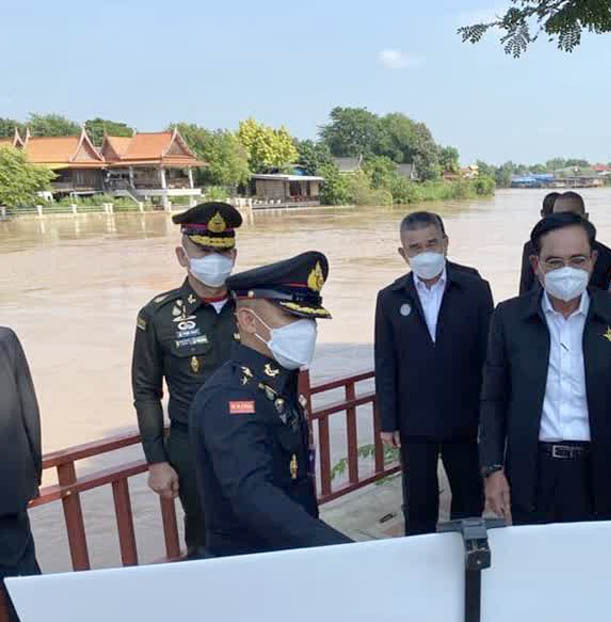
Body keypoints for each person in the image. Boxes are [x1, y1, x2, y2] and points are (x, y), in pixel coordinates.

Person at [481, 212, 611, 524]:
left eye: (577, 260)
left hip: (600, 468)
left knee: (595, 551)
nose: (567, 271)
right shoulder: (508, 318)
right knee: (534, 551)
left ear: (593, 261)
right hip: (531, 469)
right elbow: (493, 398)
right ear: (536, 265)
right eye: (555, 262)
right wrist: (493, 469)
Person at [190, 252, 350, 556]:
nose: (307, 329)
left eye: (310, 318)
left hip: (289, 550)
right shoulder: (231, 398)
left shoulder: (276, 381)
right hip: (252, 559)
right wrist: (339, 550)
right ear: (248, 321)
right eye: (292, 317)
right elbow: (254, 496)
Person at [132, 202, 242, 557]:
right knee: (204, 540)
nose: (215, 259)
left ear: (234, 256)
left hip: (252, 437)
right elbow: (146, 391)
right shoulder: (159, 316)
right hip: (194, 446)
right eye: (204, 251)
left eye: (222, 251)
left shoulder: (254, 306)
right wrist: (156, 461)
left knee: (264, 528)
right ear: (183, 256)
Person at [375, 212, 493, 535]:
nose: (424, 253)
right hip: (414, 421)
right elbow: (385, 361)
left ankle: (466, 556)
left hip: (465, 417)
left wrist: (490, 414)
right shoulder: (390, 298)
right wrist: (388, 421)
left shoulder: (474, 289)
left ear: (445, 243)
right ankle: (420, 556)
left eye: (431, 243)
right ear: (403, 253)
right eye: (415, 247)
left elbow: (489, 356)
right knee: (419, 503)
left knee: (469, 497)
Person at [0, 328, 51, 622]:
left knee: (22, 583)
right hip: (7, 486)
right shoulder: (4, 341)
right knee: (22, 582)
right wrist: (31, 472)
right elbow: (28, 409)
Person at [517, 191, 611, 294]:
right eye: (558, 217)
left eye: (572, 217)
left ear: (585, 217)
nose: (565, 223)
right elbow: (525, 290)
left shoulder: (608, 258)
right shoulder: (533, 248)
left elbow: (610, 299)